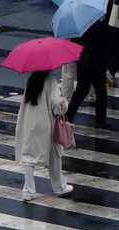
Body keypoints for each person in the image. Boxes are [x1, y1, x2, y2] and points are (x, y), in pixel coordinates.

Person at [15, 71, 73, 201]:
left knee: (29, 156)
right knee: (55, 154)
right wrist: (64, 101)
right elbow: (57, 108)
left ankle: (29, 190)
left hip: (29, 122)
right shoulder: (50, 80)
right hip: (46, 123)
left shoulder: (31, 80)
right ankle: (59, 187)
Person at [67, 21, 114, 128]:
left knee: (81, 90)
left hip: (83, 62)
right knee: (101, 91)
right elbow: (110, 45)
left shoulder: (80, 28)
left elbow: (74, 44)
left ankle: (69, 115)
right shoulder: (103, 27)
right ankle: (100, 120)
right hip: (98, 64)